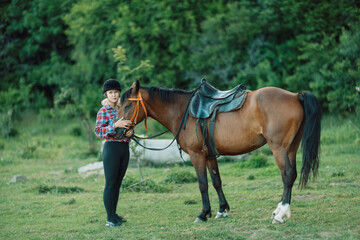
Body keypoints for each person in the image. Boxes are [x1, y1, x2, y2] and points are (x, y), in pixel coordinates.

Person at [94, 79, 134, 227]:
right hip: (111, 149)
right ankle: (109, 219)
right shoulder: (103, 111)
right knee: (110, 183)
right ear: (106, 94)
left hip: (124, 148)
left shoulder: (122, 109)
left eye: (116, 92)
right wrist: (114, 125)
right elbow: (98, 131)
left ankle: (114, 214)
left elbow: (129, 127)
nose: (114, 95)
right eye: (111, 92)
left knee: (118, 183)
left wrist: (130, 132)